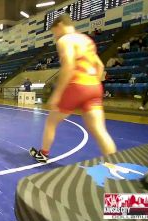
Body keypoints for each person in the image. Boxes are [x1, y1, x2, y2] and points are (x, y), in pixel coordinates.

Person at [29, 14, 117, 163]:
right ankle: (114, 166)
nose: (55, 36)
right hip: (94, 86)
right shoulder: (86, 39)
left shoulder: (65, 40)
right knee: (100, 130)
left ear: (60, 25)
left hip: (76, 85)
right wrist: (91, 85)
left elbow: (69, 66)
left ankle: (43, 153)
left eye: (54, 32)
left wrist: (57, 94)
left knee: (51, 122)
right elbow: (100, 66)